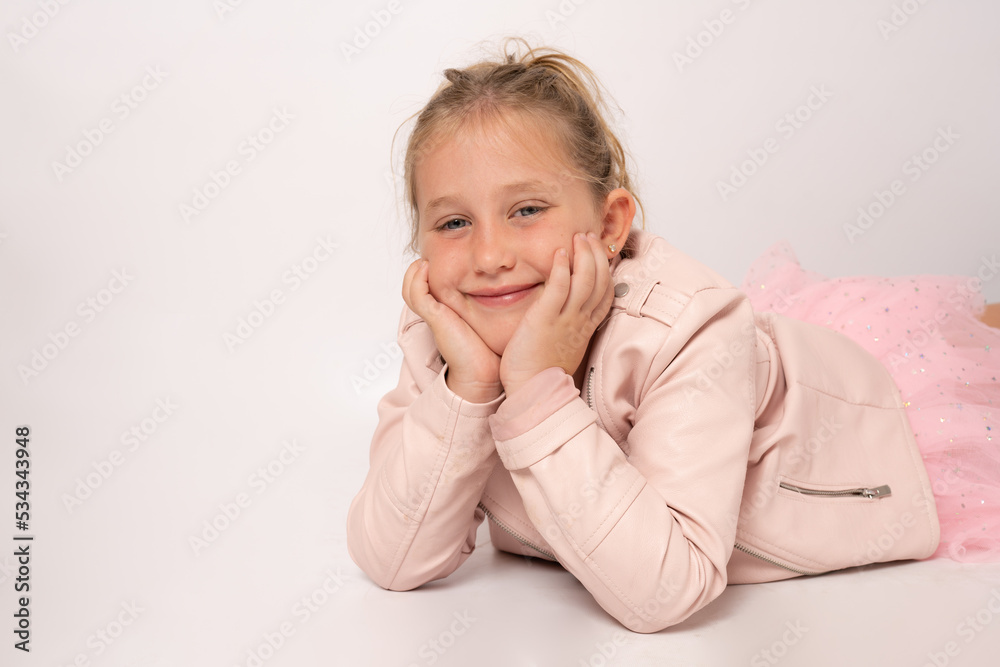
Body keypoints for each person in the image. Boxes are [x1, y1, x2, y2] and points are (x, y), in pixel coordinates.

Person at [346, 39, 1000, 632]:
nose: (488, 257)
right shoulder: (445, 334)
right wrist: (470, 388)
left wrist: (536, 389)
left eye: (526, 210)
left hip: (865, 432)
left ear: (609, 224)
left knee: (976, 361)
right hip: (753, 373)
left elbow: (666, 589)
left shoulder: (692, 327)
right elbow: (392, 558)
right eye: (454, 223)